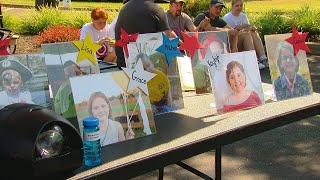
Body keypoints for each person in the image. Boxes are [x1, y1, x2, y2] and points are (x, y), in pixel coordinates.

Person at [115, 0, 177, 69]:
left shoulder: (124, 9)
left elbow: (118, 35)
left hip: (125, 67)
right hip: (151, 69)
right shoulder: (157, 10)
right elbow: (166, 38)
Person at [223, 0, 268, 68]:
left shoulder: (243, 16)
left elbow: (247, 27)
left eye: (241, 5)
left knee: (253, 33)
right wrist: (238, 29)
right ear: (232, 6)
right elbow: (228, 34)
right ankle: (254, 60)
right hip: (233, 43)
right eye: (237, 6)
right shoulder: (227, 18)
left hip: (243, 38)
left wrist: (251, 28)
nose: (239, 7)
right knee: (246, 35)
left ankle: (263, 58)